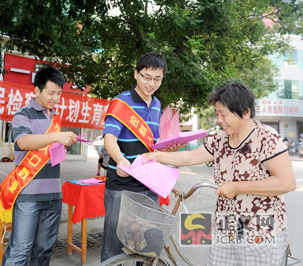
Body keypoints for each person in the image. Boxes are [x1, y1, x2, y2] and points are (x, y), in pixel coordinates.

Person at [143, 82, 296, 265]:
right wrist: (158, 157)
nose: (219, 120)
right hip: (225, 226)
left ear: (245, 112)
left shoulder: (266, 138)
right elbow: (191, 157)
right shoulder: (220, 138)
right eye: (217, 114)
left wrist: (237, 187)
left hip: (260, 229)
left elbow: (287, 183)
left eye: (223, 114)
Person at [101, 51, 180, 262]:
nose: (151, 83)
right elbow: (109, 139)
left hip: (149, 184)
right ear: (136, 74)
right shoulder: (121, 103)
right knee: (114, 242)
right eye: (146, 76)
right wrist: (121, 160)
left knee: (145, 242)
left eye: (157, 79)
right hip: (122, 182)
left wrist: (168, 150)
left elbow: (154, 145)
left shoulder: (156, 105)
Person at [2, 66, 78, 266]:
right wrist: (56, 136)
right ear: (37, 90)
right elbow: (24, 142)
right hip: (29, 197)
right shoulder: (23, 114)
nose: (55, 98)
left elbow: (51, 152)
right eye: (51, 92)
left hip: (53, 196)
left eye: (59, 93)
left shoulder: (54, 118)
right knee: (20, 251)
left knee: (43, 251)